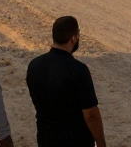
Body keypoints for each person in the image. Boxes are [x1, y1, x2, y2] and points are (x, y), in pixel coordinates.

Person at [25, 17, 104, 147]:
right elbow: (90, 115)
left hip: (45, 139)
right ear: (73, 38)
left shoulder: (34, 65)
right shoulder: (78, 69)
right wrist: (101, 144)